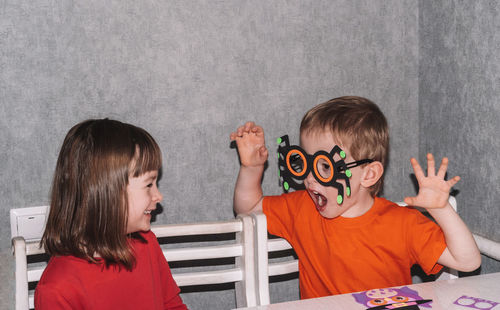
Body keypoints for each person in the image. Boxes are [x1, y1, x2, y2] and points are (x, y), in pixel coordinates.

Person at [230, 96, 481, 299]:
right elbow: (249, 207)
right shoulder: (301, 208)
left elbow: (467, 261)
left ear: (368, 174)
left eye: (325, 166)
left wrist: (442, 208)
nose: (310, 178)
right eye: (305, 162)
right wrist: (252, 168)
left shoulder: (402, 223)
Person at [35, 119, 187, 310]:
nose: (158, 196)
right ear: (108, 193)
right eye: (149, 184)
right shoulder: (57, 290)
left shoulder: (146, 244)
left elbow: (172, 306)